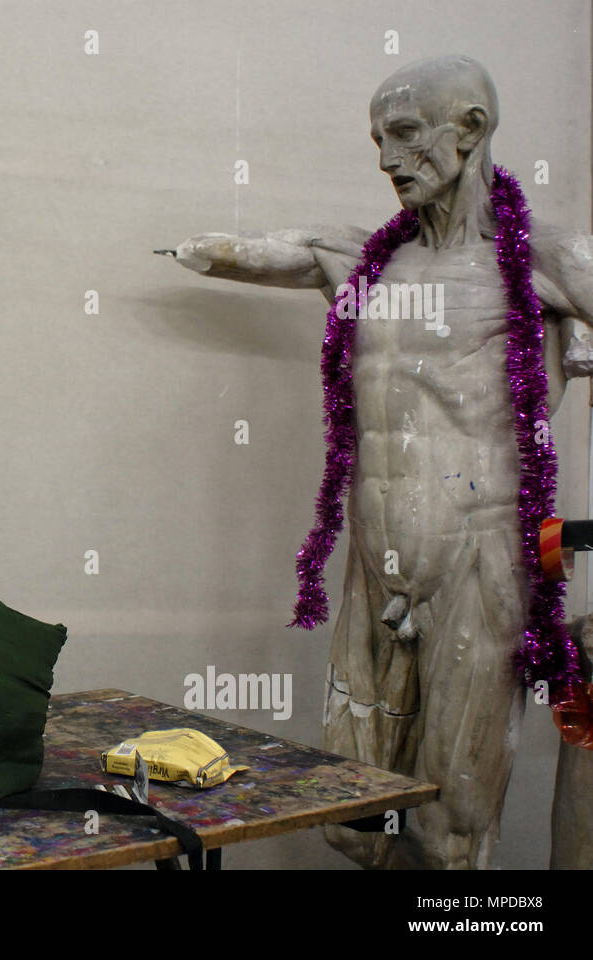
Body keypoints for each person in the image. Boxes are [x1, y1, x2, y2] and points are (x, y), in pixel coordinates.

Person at [165, 55, 593, 868]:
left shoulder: (542, 259)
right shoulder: (365, 264)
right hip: (374, 562)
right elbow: (272, 252)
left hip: (479, 561)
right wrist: (201, 250)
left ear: (470, 129)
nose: (388, 160)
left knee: (453, 822)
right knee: (351, 814)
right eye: (377, 141)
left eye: (404, 134)